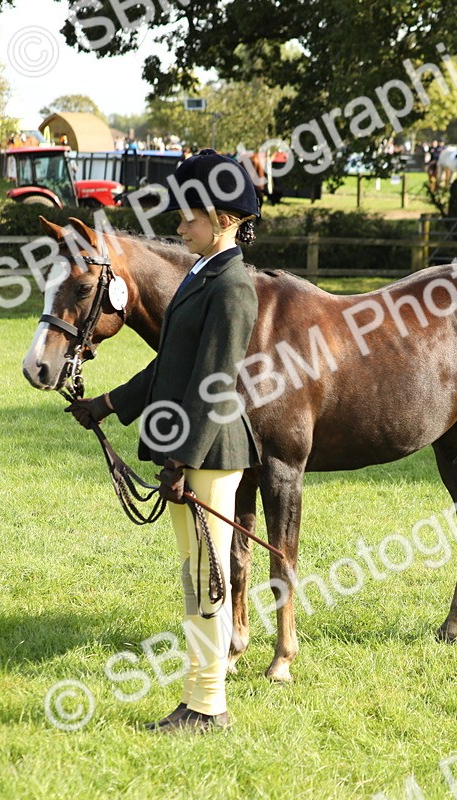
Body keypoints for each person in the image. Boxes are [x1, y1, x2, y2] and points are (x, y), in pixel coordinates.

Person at [65, 149, 262, 734]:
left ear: (223, 219)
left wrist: (181, 459)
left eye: (189, 217)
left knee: (206, 574)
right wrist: (108, 403)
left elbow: (216, 383)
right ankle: (199, 697)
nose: (179, 226)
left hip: (207, 451)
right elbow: (168, 366)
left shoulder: (233, 286)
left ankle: (207, 705)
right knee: (194, 570)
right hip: (189, 450)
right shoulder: (202, 275)